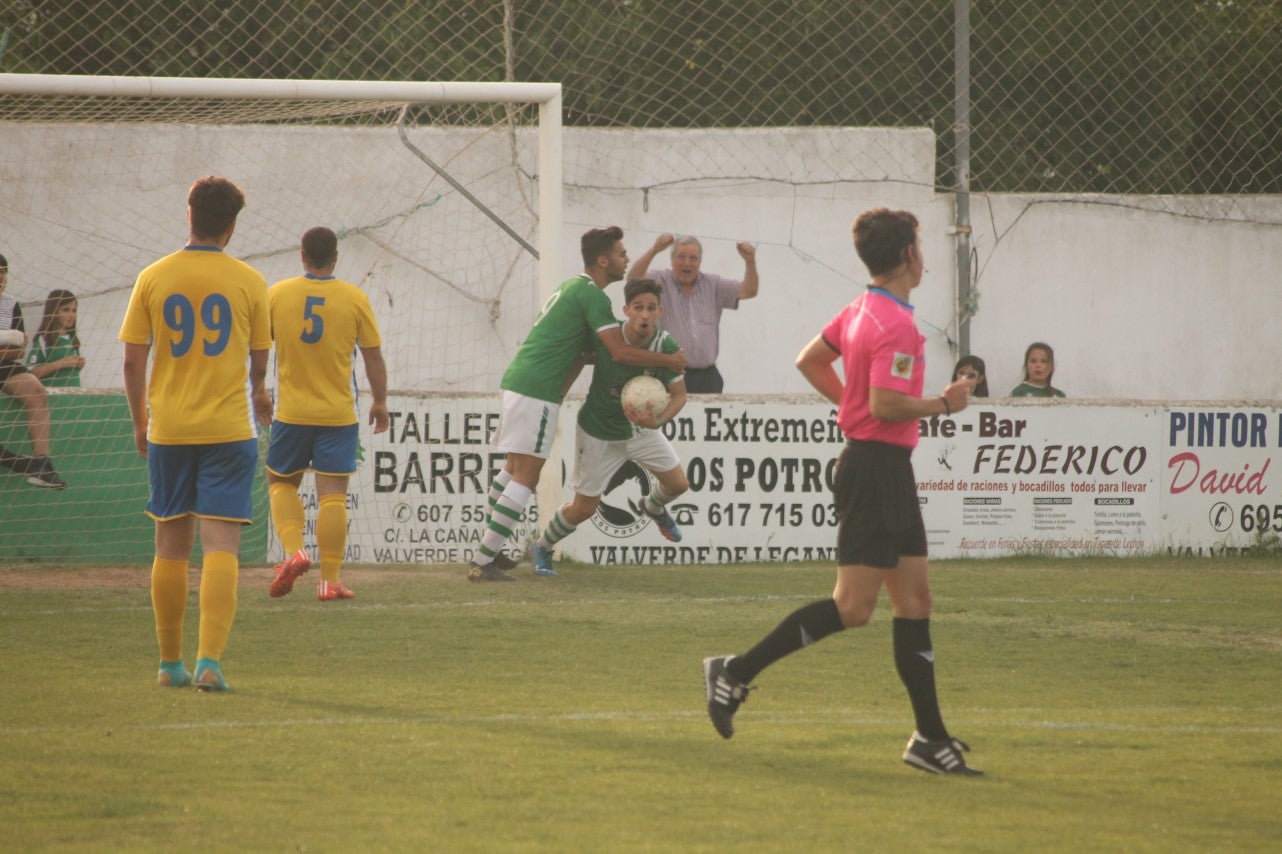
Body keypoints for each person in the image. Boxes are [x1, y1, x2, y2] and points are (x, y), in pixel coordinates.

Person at [701, 207, 983, 776]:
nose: (923, 257)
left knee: (915, 601)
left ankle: (930, 739)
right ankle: (734, 671)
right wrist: (943, 404)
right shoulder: (897, 324)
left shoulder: (863, 308)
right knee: (853, 608)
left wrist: (851, 409)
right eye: (922, 247)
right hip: (874, 470)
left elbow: (811, 361)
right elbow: (883, 406)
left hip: (885, 467)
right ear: (909, 255)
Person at [119, 176, 273, 692]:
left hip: (170, 429)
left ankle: (168, 665)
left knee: (169, 546)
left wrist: (141, 421)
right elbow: (259, 359)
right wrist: (256, 390)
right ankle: (209, 661)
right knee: (222, 547)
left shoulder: (153, 276)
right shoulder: (250, 281)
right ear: (232, 226)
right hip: (230, 430)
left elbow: (131, 359)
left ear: (189, 215)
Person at [468, 226, 687, 582]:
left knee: (511, 468)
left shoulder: (571, 287)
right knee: (527, 475)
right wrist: (670, 362)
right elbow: (616, 350)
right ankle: (483, 560)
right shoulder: (593, 297)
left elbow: (585, 351)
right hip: (537, 389)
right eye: (620, 253)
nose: (626, 258)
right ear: (602, 260)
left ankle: (489, 552)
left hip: (521, 381)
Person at [529, 278, 689, 578]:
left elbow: (679, 396)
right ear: (626, 309)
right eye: (638, 308)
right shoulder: (607, 337)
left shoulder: (665, 345)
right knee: (584, 509)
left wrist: (659, 420)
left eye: (651, 308)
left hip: (641, 430)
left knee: (679, 484)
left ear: (660, 312)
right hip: (598, 430)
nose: (644, 314)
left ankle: (652, 506)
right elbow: (575, 355)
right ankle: (542, 546)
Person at [265, 226, 389, 602]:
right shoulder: (354, 298)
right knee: (333, 497)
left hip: (291, 412)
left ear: (301, 255)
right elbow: (372, 356)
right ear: (336, 257)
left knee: (281, 483)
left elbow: (255, 347)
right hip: (338, 415)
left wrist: (256, 390)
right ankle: (329, 581)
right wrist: (380, 401)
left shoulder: (277, 294)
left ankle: (293, 552)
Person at [626, 233, 758, 393]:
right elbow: (633, 280)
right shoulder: (660, 280)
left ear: (700, 262)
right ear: (672, 260)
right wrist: (654, 250)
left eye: (693, 258)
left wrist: (749, 261)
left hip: (707, 377)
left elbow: (749, 291)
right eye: (681, 257)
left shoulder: (713, 284)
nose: (686, 263)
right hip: (669, 373)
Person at [0, 254, 67, 488]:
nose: (1, 276)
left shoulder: (11, 305)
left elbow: (19, 350)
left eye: (3, 271)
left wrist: (8, 349)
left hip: (5, 366)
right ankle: (9, 459)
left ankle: (42, 464)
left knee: (37, 392)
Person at [26, 289, 86, 388]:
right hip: (54, 398)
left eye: (74, 311)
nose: (71, 315)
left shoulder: (73, 339)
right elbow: (31, 373)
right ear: (53, 311)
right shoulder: (43, 340)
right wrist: (62, 363)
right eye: (66, 310)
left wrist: (79, 364)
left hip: (74, 397)